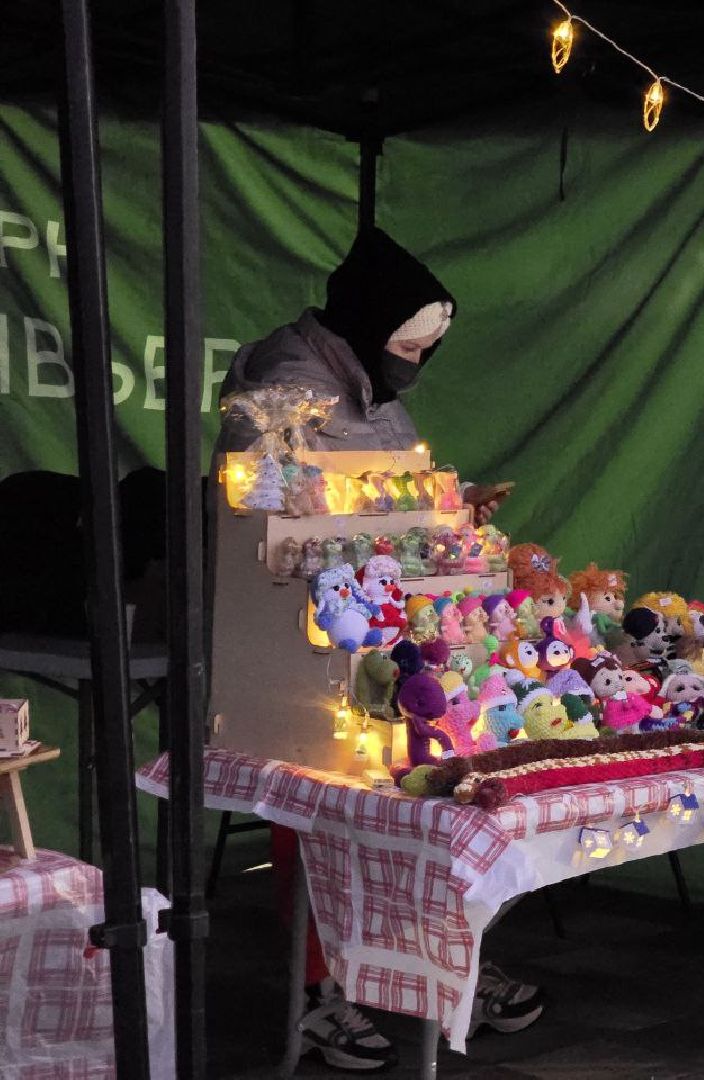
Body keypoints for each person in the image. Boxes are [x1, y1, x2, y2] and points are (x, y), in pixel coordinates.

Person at [215, 228, 541, 1072]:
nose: (418, 359)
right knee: (320, 798)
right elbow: (276, 512)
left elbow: (403, 487)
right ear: (369, 323)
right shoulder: (285, 379)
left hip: (392, 623)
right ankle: (321, 991)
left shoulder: (376, 385)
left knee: (438, 788)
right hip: (298, 629)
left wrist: (445, 510)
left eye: (429, 346)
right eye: (410, 342)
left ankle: (438, 961)